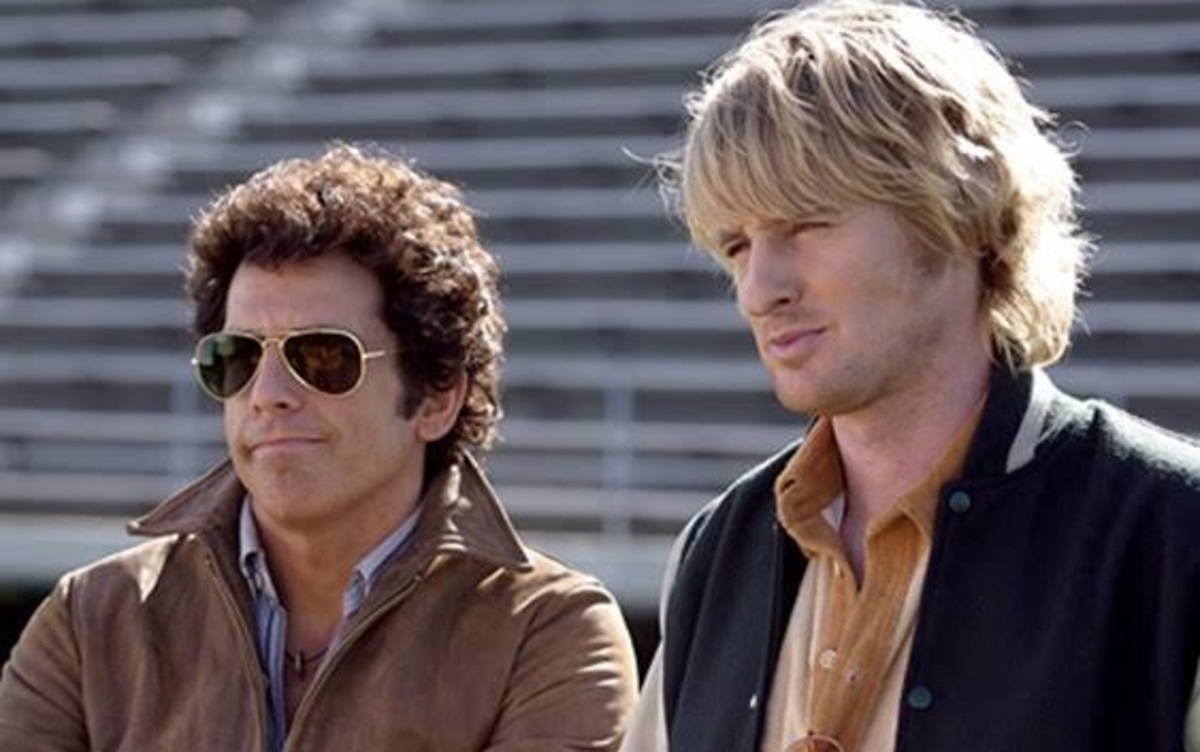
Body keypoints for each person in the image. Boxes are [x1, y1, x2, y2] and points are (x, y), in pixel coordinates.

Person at [620, 1, 1200, 751]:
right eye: (737, 245)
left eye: (806, 223)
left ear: (959, 207)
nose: (761, 289)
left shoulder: (1170, 532)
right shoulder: (715, 555)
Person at [0, 143, 638, 751]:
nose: (268, 394)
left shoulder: (547, 633)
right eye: (238, 356)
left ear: (437, 396)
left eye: (323, 356)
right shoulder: (91, 621)